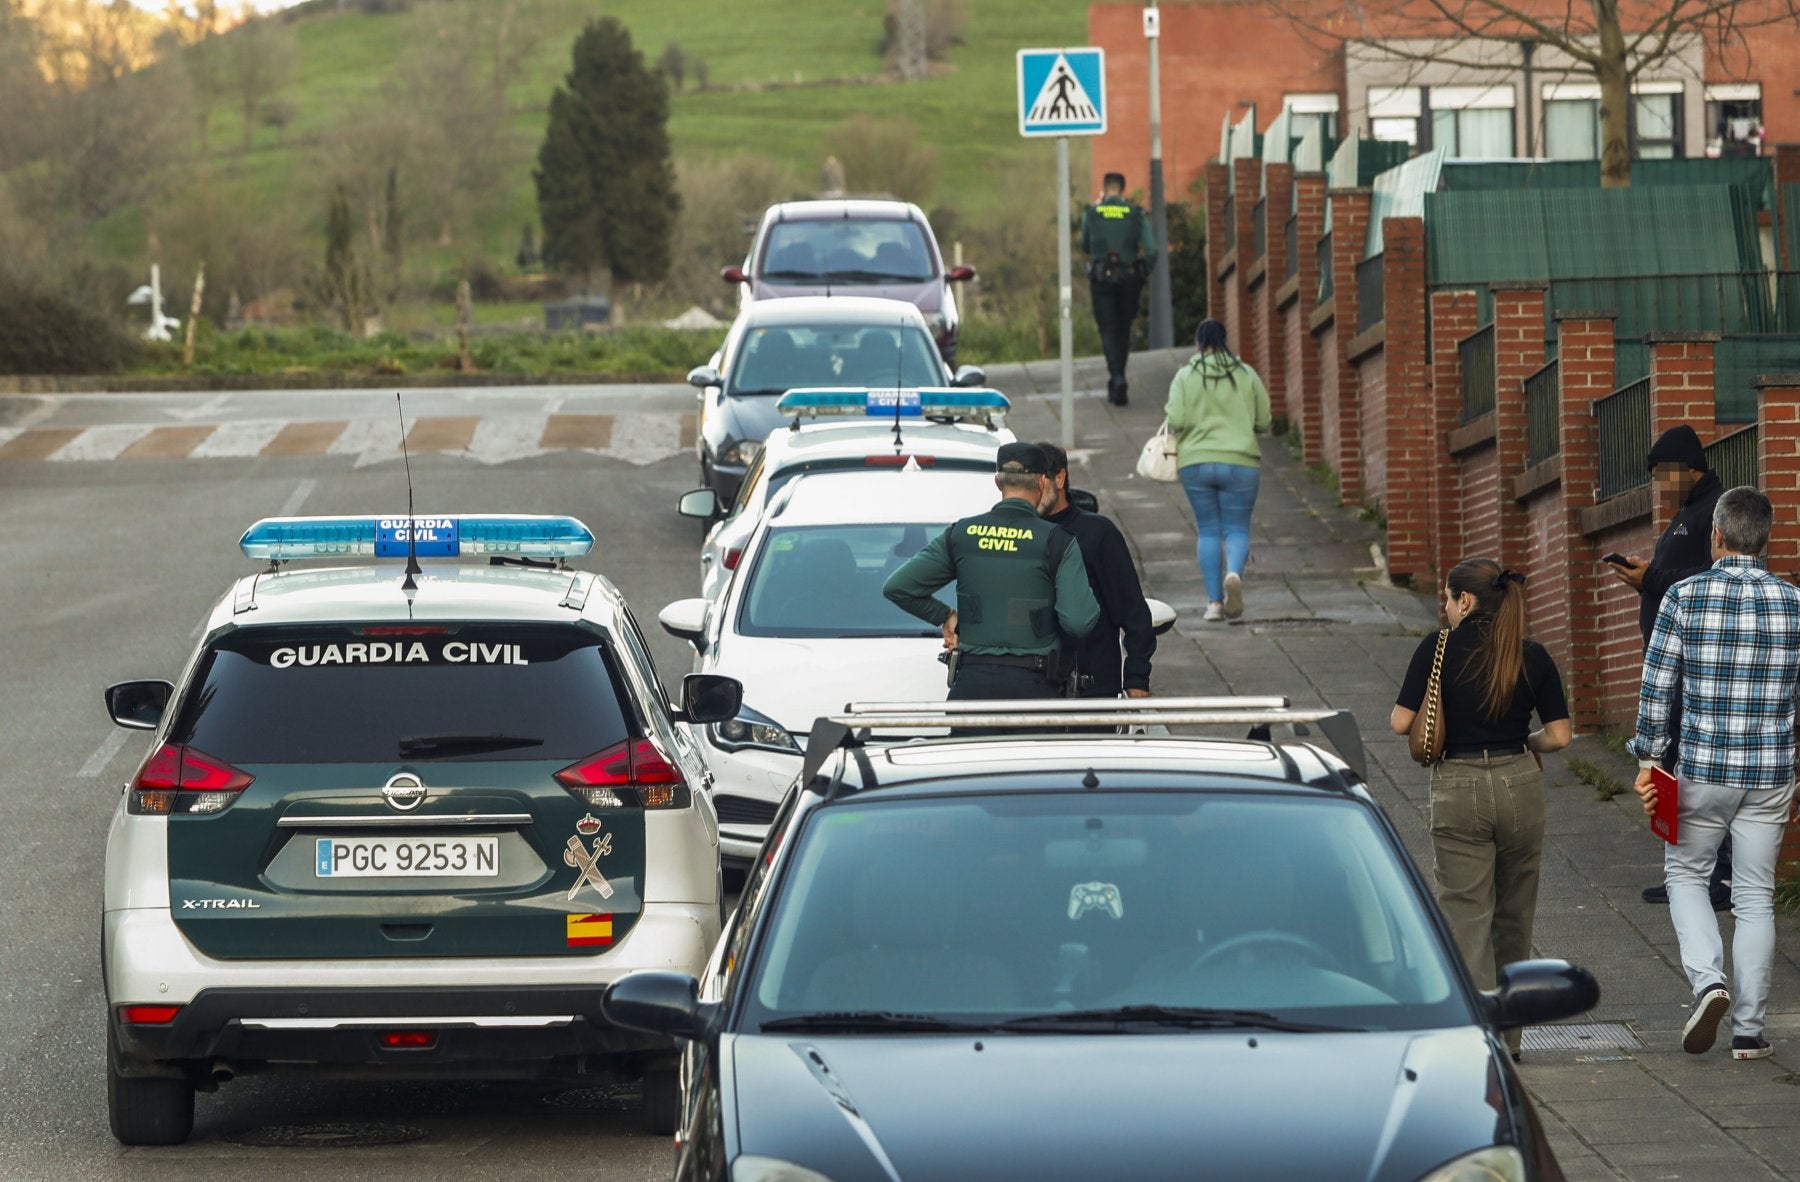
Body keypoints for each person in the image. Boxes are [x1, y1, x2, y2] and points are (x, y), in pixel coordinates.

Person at [1629, 487, 1800, 1061]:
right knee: (1755, 895)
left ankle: (1708, 983)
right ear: (1765, 538)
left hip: (1701, 769)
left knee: (1686, 875)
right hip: (1771, 773)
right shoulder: (1793, 603)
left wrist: (1649, 760)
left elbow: (1658, 686)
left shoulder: (1684, 595)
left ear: (1717, 536)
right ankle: (1749, 1030)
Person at [1390, 559, 1571, 1060]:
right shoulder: (1530, 654)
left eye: (1446, 598)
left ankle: (1477, 1037)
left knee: (1466, 913)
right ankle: (1511, 1037)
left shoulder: (1437, 649)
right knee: (1515, 914)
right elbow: (1559, 736)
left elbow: (1400, 723)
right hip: (1520, 781)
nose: (1443, 608)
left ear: (1464, 600)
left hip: (1459, 784)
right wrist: (1524, 740)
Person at [882, 443, 1100, 721]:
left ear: (998, 481)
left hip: (972, 691)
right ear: (1043, 481)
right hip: (1034, 693)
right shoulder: (1058, 541)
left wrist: (946, 616)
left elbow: (898, 587)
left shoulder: (962, 534)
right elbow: (1079, 622)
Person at [1609, 425, 1731, 910]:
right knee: (1668, 767)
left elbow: (1714, 578)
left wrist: (1652, 577)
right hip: (1670, 663)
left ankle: (1715, 877)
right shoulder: (1687, 514)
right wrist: (1647, 578)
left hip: (1693, 666)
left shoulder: (1715, 512)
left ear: (1690, 468)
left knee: (1690, 771)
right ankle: (1680, 871)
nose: (1659, 484)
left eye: (1664, 474)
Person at [1167, 319, 1271, 622]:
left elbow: (1176, 420)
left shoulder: (1185, 376)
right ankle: (1234, 574)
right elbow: (1264, 420)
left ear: (1198, 344)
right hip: (1241, 462)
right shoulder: (1246, 374)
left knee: (1208, 530)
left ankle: (1213, 604)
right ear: (1225, 340)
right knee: (1237, 528)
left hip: (1196, 463)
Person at [1036, 441, 1155, 699]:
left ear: (1060, 478)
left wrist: (1136, 677)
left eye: (1039, 481)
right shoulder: (1020, 534)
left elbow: (1133, 611)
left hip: (1090, 689)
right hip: (1031, 689)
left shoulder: (1099, 534)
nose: (1030, 491)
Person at [1079, 172, 1158, 406]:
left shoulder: (1092, 213)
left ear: (1104, 188)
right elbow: (1152, 250)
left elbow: (1084, 243)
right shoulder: (1135, 213)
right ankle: (1118, 378)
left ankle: (1117, 377)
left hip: (1102, 278)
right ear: (1123, 189)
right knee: (1123, 329)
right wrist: (1144, 270)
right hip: (1129, 277)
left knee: (1108, 329)